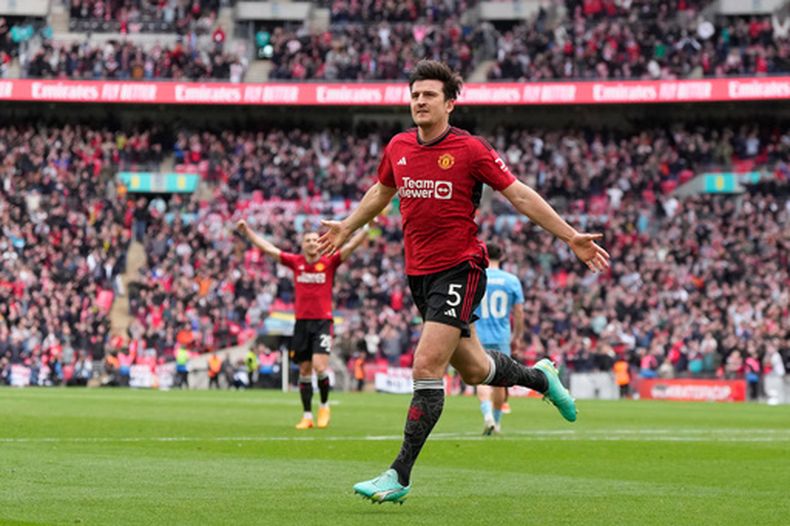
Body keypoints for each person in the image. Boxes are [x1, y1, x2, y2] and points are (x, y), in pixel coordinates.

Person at [318, 60, 609, 503]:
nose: (419, 101)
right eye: (414, 94)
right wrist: (347, 226)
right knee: (475, 369)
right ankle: (542, 379)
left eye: (429, 95)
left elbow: (519, 194)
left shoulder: (471, 149)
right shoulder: (398, 146)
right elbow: (381, 191)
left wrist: (570, 236)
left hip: (461, 267)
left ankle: (399, 475)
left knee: (426, 367)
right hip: (419, 274)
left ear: (450, 103)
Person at [236, 219, 371, 429]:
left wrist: (367, 227)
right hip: (301, 323)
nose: (312, 243)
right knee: (304, 371)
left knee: (319, 366)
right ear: (302, 244)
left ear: (320, 244)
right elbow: (268, 248)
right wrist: (247, 232)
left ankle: (324, 406)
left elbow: (351, 246)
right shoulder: (296, 262)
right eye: (308, 240)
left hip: (323, 322)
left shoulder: (329, 263)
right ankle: (307, 416)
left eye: (315, 240)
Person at [472, 243, 524, 436]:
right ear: (501, 256)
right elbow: (519, 313)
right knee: (501, 380)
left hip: (478, 334)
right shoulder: (511, 281)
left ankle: (487, 416)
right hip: (502, 336)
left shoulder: (477, 277)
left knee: (482, 378)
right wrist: (517, 336)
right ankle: (497, 421)